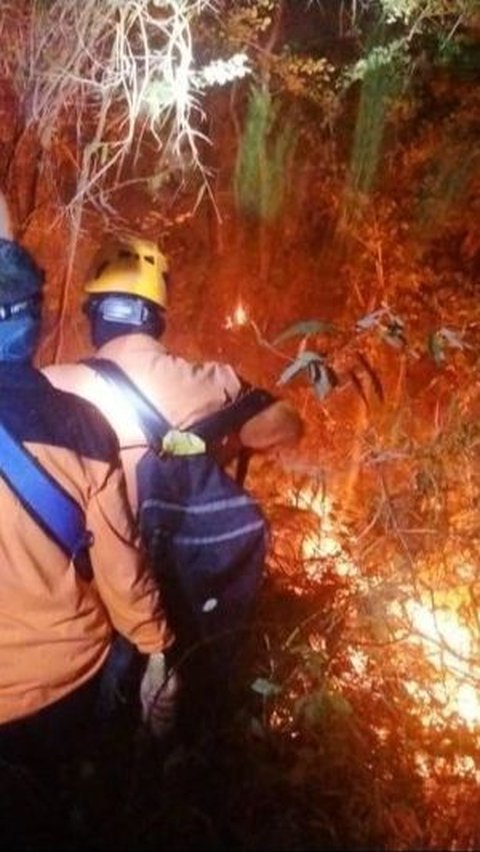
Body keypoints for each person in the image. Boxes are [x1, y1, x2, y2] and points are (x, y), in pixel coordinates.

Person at [43, 235, 303, 741]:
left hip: (74, 606)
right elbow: (285, 425)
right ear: (157, 316)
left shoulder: (51, 385)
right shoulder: (200, 382)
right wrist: (207, 447)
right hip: (162, 586)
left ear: (94, 313)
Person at [0, 201, 174, 843]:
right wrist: (157, 649)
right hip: (63, 684)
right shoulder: (83, 427)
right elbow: (123, 571)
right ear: (38, 323)